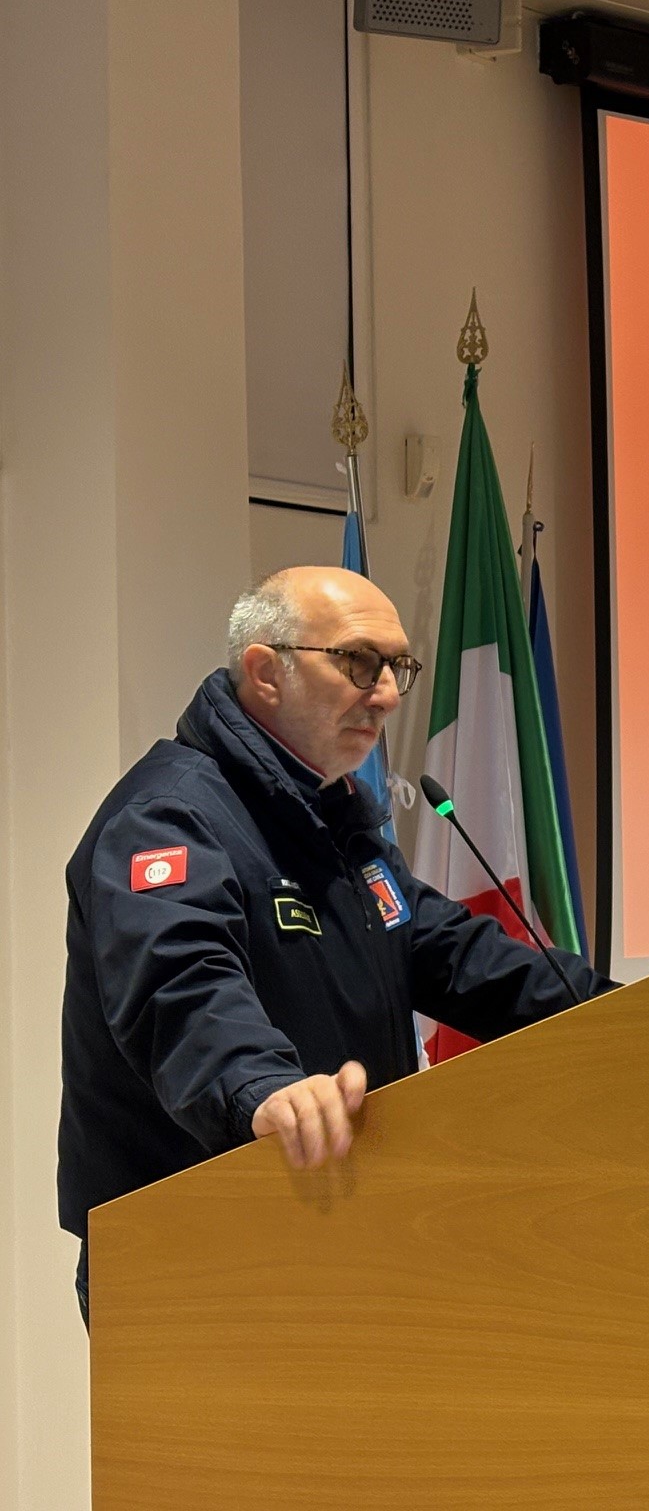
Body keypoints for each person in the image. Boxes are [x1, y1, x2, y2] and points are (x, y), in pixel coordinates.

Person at [59, 567, 614, 1324]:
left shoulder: (335, 822)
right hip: (195, 1245)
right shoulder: (167, 818)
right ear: (265, 671)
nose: (386, 694)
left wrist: (639, 1015)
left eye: (397, 667)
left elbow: (462, 958)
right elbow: (179, 986)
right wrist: (260, 1088)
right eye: (359, 662)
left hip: (334, 1227)